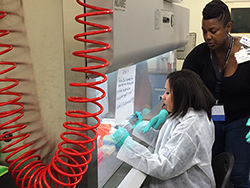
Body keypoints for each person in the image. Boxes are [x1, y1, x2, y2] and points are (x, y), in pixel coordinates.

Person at [181, 1, 250, 187]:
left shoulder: (247, 49)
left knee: (238, 175)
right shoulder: (199, 55)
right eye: (204, 31)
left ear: (228, 27)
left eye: (213, 30)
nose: (208, 37)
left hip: (241, 120)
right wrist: (167, 109)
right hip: (210, 120)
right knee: (211, 171)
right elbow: (182, 85)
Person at [111, 69, 216, 188]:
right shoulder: (186, 114)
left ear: (181, 95)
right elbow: (166, 142)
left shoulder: (191, 126)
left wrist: (127, 144)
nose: (163, 97)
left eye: (167, 92)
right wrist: (139, 127)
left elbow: (164, 166)